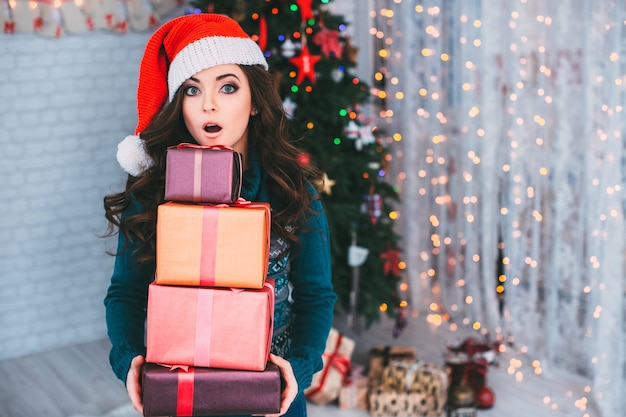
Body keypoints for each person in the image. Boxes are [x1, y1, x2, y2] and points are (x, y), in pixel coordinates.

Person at [102, 13, 336, 417]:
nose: (208, 104)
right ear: (180, 105)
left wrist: (298, 369)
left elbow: (316, 296)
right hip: (183, 391)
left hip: (270, 392)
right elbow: (125, 293)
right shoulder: (152, 194)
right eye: (192, 90)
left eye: (227, 87)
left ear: (255, 101)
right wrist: (129, 361)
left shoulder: (293, 191)